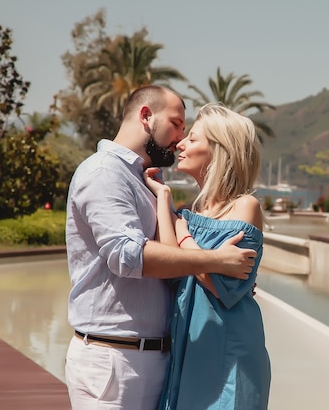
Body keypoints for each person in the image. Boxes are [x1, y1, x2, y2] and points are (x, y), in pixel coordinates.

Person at [65, 85, 257, 410]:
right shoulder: (104, 173)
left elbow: (174, 268)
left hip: (158, 361)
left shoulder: (145, 180)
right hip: (115, 361)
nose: (180, 138)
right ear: (146, 116)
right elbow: (128, 255)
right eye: (177, 123)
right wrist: (216, 261)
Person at [144, 103, 271, 410]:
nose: (181, 143)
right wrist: (164, 198)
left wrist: (184, 234)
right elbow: (170, 266)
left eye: (193, 139)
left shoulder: (245, 207)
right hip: (191, 345)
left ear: (219, 150)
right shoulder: (192, 212)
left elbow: (222, 286)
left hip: (229, 351)